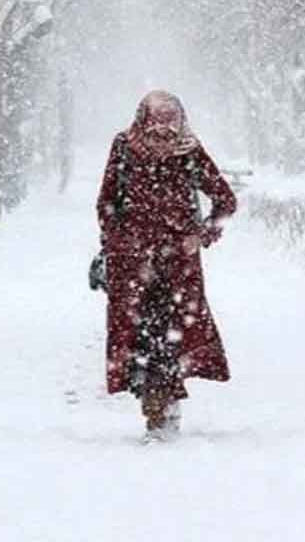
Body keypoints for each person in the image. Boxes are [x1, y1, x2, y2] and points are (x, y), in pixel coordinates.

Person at [95, 90, 237, 442]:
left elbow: (224, 199)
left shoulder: (185, 150)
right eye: (158, 121)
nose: (163, 131)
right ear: (144, 118)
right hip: (142, 265)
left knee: (161, 336)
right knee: (150, 336)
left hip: (168, 266)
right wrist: (119, 240)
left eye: (169, 121)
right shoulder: (127, 147)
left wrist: (202, 235)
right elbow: (107, 201)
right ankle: (157, 406)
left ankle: (161, 408)